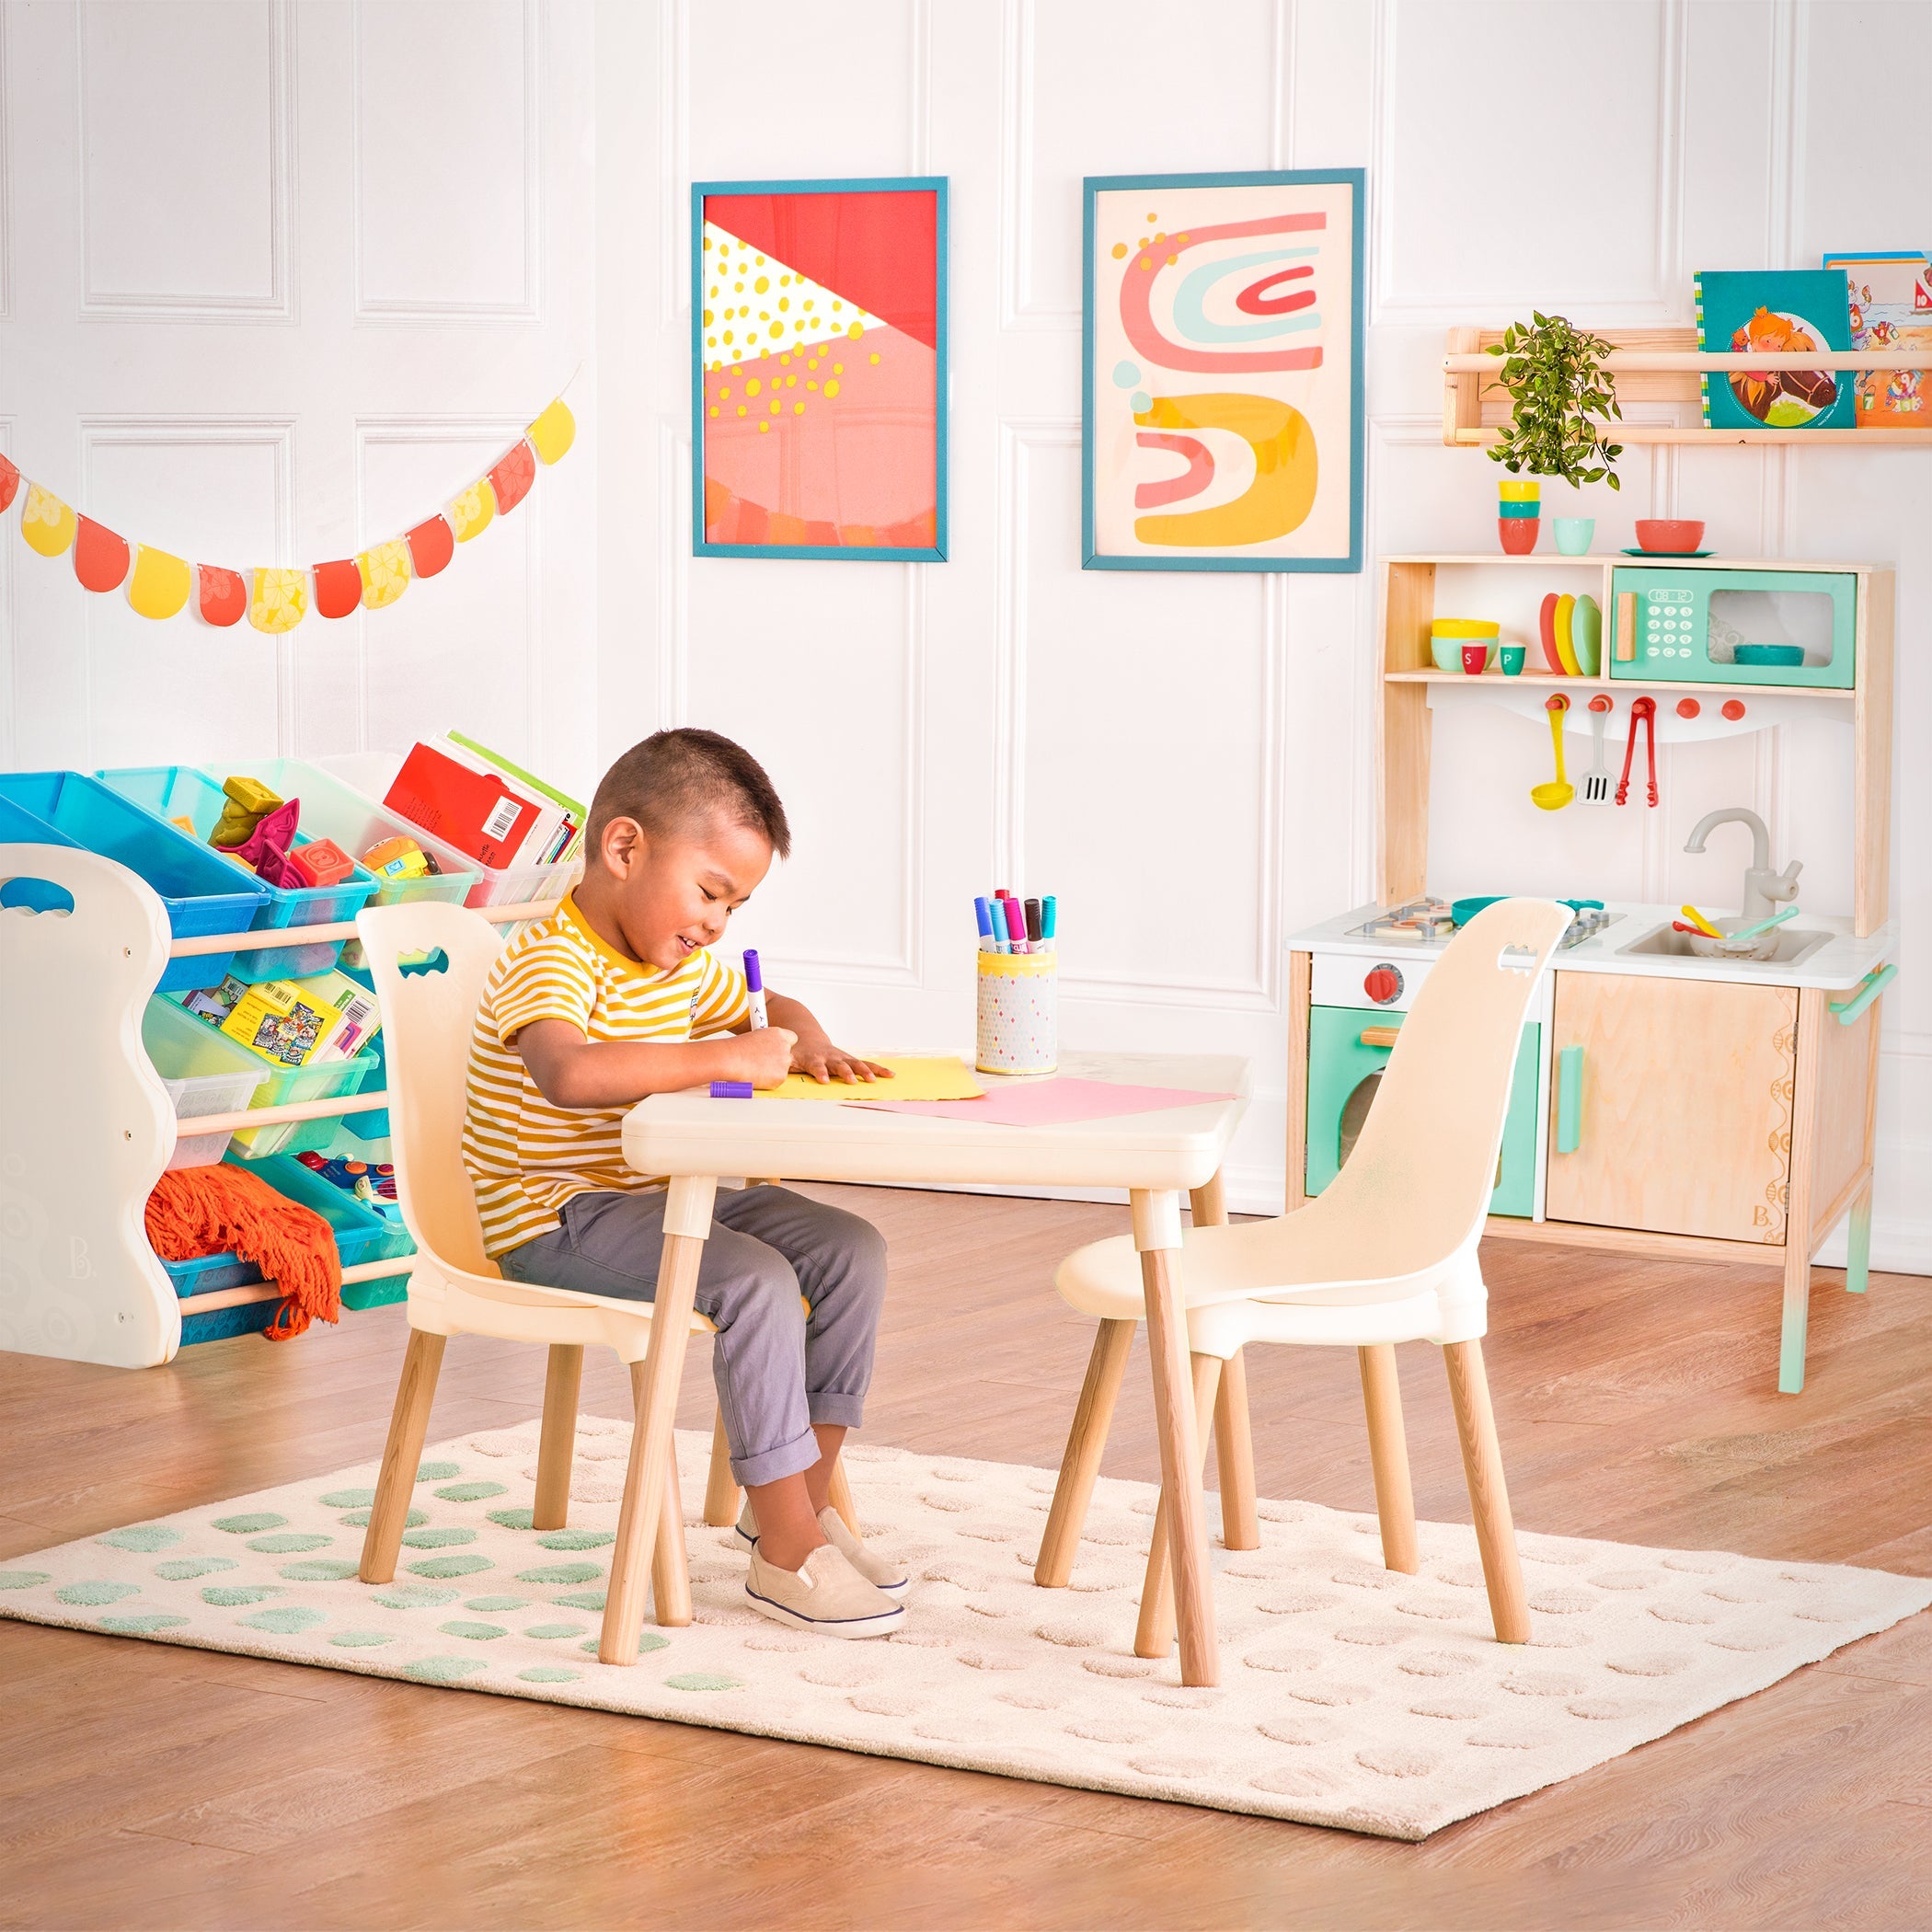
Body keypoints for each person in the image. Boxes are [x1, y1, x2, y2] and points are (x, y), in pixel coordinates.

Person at [462, 728, 908, 1638]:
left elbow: (764, 1008)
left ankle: (792, 1507)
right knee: (752, 1279)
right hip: (556, 1216)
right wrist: (723, 1053)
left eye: (734, 909)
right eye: (710, 893)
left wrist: (806, 1032)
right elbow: (570, 1075)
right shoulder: (550, 959)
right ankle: (785, 1553)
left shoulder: (680, 968)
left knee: (850, 1249)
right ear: (625, 849)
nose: (714, 925)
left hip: (665, 1199)